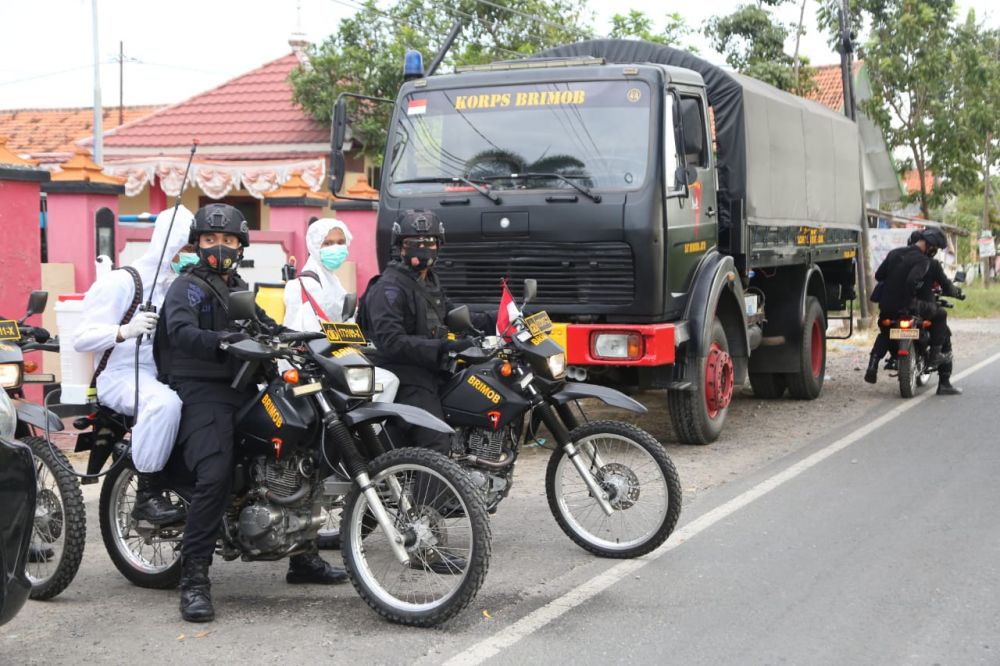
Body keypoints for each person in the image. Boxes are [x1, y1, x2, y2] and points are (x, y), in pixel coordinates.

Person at [156, 203, 346, 624]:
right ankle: (194, 580)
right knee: (216, 474)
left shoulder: (237, 287)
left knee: (302, 452)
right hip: (202, 390)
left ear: (240, 246)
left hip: (242, 385)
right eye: (210, 240)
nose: (219, 247)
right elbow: (184, 332)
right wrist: (224, 341)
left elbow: (264, 325)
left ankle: (302, 558)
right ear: (199, 244)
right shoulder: (185, 287)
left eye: (227, 241)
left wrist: (303, 340)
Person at [73, 206, 195, 526]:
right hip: (118, 375)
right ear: (167, 244)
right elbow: (81, 337)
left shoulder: (179, 286)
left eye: (194, 248)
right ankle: (147, 496)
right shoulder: (123, 282)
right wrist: (122, 331)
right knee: (165, 405)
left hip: (163, 372)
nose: (190, 255)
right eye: (185, 247)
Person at [360, 209, 493, 454]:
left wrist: (494, 320)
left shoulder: (429, 281)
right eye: (414, 243)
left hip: (432, 370)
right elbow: (391, 342)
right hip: (404, 376)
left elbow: (452, 316)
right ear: (400, 248)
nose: (423, 248)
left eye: (429, 242)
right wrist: (444, 347)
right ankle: (435, 493)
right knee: (436, 440)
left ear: (439, 246)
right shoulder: (388, 288)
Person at [282, 217, 398, 402]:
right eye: (327, 243)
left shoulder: (333, 281)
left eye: (340, 242)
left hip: (336, 357)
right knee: (387, 381)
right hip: (315, 364)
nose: (335, 248)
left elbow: (344, 322)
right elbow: (306, 332)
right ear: (314, 246)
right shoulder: (303, 285)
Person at [865, 228, 963, 394]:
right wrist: (910, 296)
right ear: (930, 245)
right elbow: (912, 282)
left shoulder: (894, 253)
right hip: (910, 305)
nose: (935, 252)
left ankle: (873, 364)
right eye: (936, 248)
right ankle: (936, 359)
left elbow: (879, 275)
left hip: (888, 307)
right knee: (941, 314)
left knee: (886, 332)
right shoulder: (925, 261)